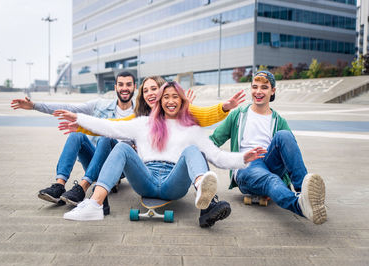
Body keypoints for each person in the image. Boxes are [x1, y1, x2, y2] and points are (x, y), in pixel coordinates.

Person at [56, 81, 266, 226]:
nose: (171, 100)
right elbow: (110, 127)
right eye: (166, 97)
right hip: (145, 179)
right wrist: (79, 119)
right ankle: (94, 204)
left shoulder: (192, 129)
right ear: (160, 101)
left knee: (193, 150)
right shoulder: (144, 124)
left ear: (182, 101)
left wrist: (242, 158)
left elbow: (217, 156)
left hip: (173, 182)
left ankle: (203, 189)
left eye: (175, 96)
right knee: (121, 147)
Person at [11, 71, 137, 215]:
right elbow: (69, 108)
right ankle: (59, 185)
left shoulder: (140, 113)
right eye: (121, 84)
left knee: (106, 136)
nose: (124, 88)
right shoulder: (99, 105)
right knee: (77, 134)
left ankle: (82, 188)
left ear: (134, 86)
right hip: (97, 160)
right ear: (115, 87)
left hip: (120, 167)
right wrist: (34, 105)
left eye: (128, 84)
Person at [209, 71, 327, 224]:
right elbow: (214, 140)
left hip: (270, 162)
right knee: (271, 179)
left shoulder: (278, 120)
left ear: (273, 91)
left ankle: (303, 191)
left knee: (284, 135)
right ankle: (300, 206)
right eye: (255, 87)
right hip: (247, 165)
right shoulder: (238, 115)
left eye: (264, 87)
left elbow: (290, 154)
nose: (258, 92)